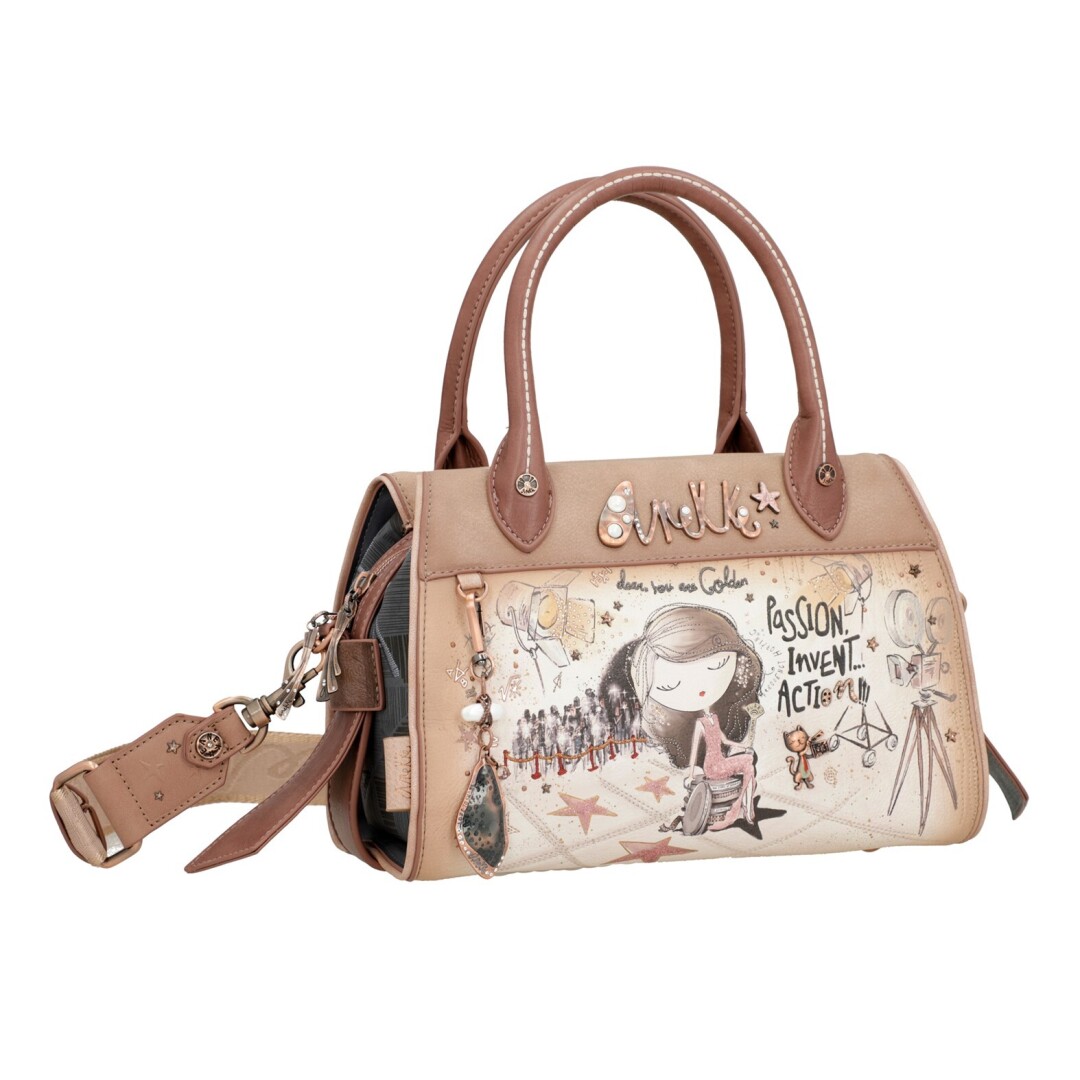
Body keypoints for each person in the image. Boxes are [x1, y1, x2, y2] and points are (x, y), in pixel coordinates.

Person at [628, 604, 764, 830]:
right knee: (748, 766)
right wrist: (692, 773)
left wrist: (742, 746)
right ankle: (739, 808)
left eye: (718, 665)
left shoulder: (714, 718)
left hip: (719, 762)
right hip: (713, 767)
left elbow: (724, 740)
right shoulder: (701, 724)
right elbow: (693, 751)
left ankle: (743, 806)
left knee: (748, 762)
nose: (700, 689)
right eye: (670, 685)